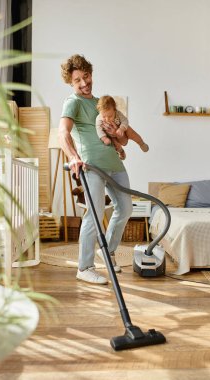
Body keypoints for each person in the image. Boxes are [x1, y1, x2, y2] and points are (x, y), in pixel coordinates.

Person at [58, 54, 133, 285]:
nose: (84, 83)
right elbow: (63, 132)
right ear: (71, 83)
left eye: (86, 76)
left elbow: (125, 138)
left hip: (114, 164)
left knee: (126, 208)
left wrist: (120, 140)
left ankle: (107, 251)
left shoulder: (102, 103)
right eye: (77, 80)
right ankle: (85, 267)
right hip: (92, 167)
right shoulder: (73, 102)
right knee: (95, 212)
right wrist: (73, 157)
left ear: (91, 73)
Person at [96, 95, 149, 160]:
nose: (107, 119)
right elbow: (98, 129)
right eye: (104, 116)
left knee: (132, 133)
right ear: (99, 112)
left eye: (110, 116)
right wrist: (104, 138)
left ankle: (141, 143)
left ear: (114, 109)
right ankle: (121, 152)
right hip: (111, 135)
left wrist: (121, 128)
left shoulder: (118, 113)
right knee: (115, 144)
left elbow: (125, 121)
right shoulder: (99, 118)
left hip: (122, 129)